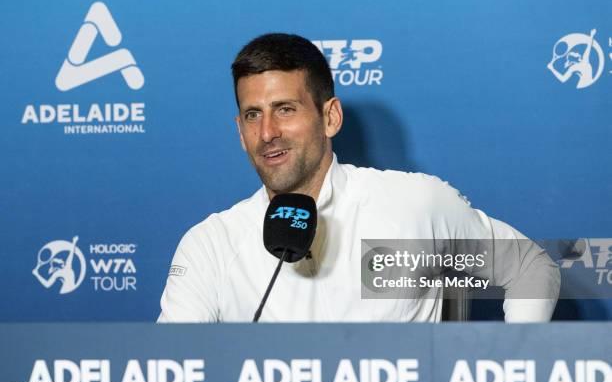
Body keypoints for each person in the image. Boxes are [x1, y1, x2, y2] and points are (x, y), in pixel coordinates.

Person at [158, 33, 560, 323]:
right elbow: (170, 370)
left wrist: (513, 367)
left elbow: (530, 266)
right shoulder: (209, 245)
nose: (267, 133)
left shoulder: (413, 205)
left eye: (284, 109)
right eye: (252, 115)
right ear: (240, 132)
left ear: (330, 117)